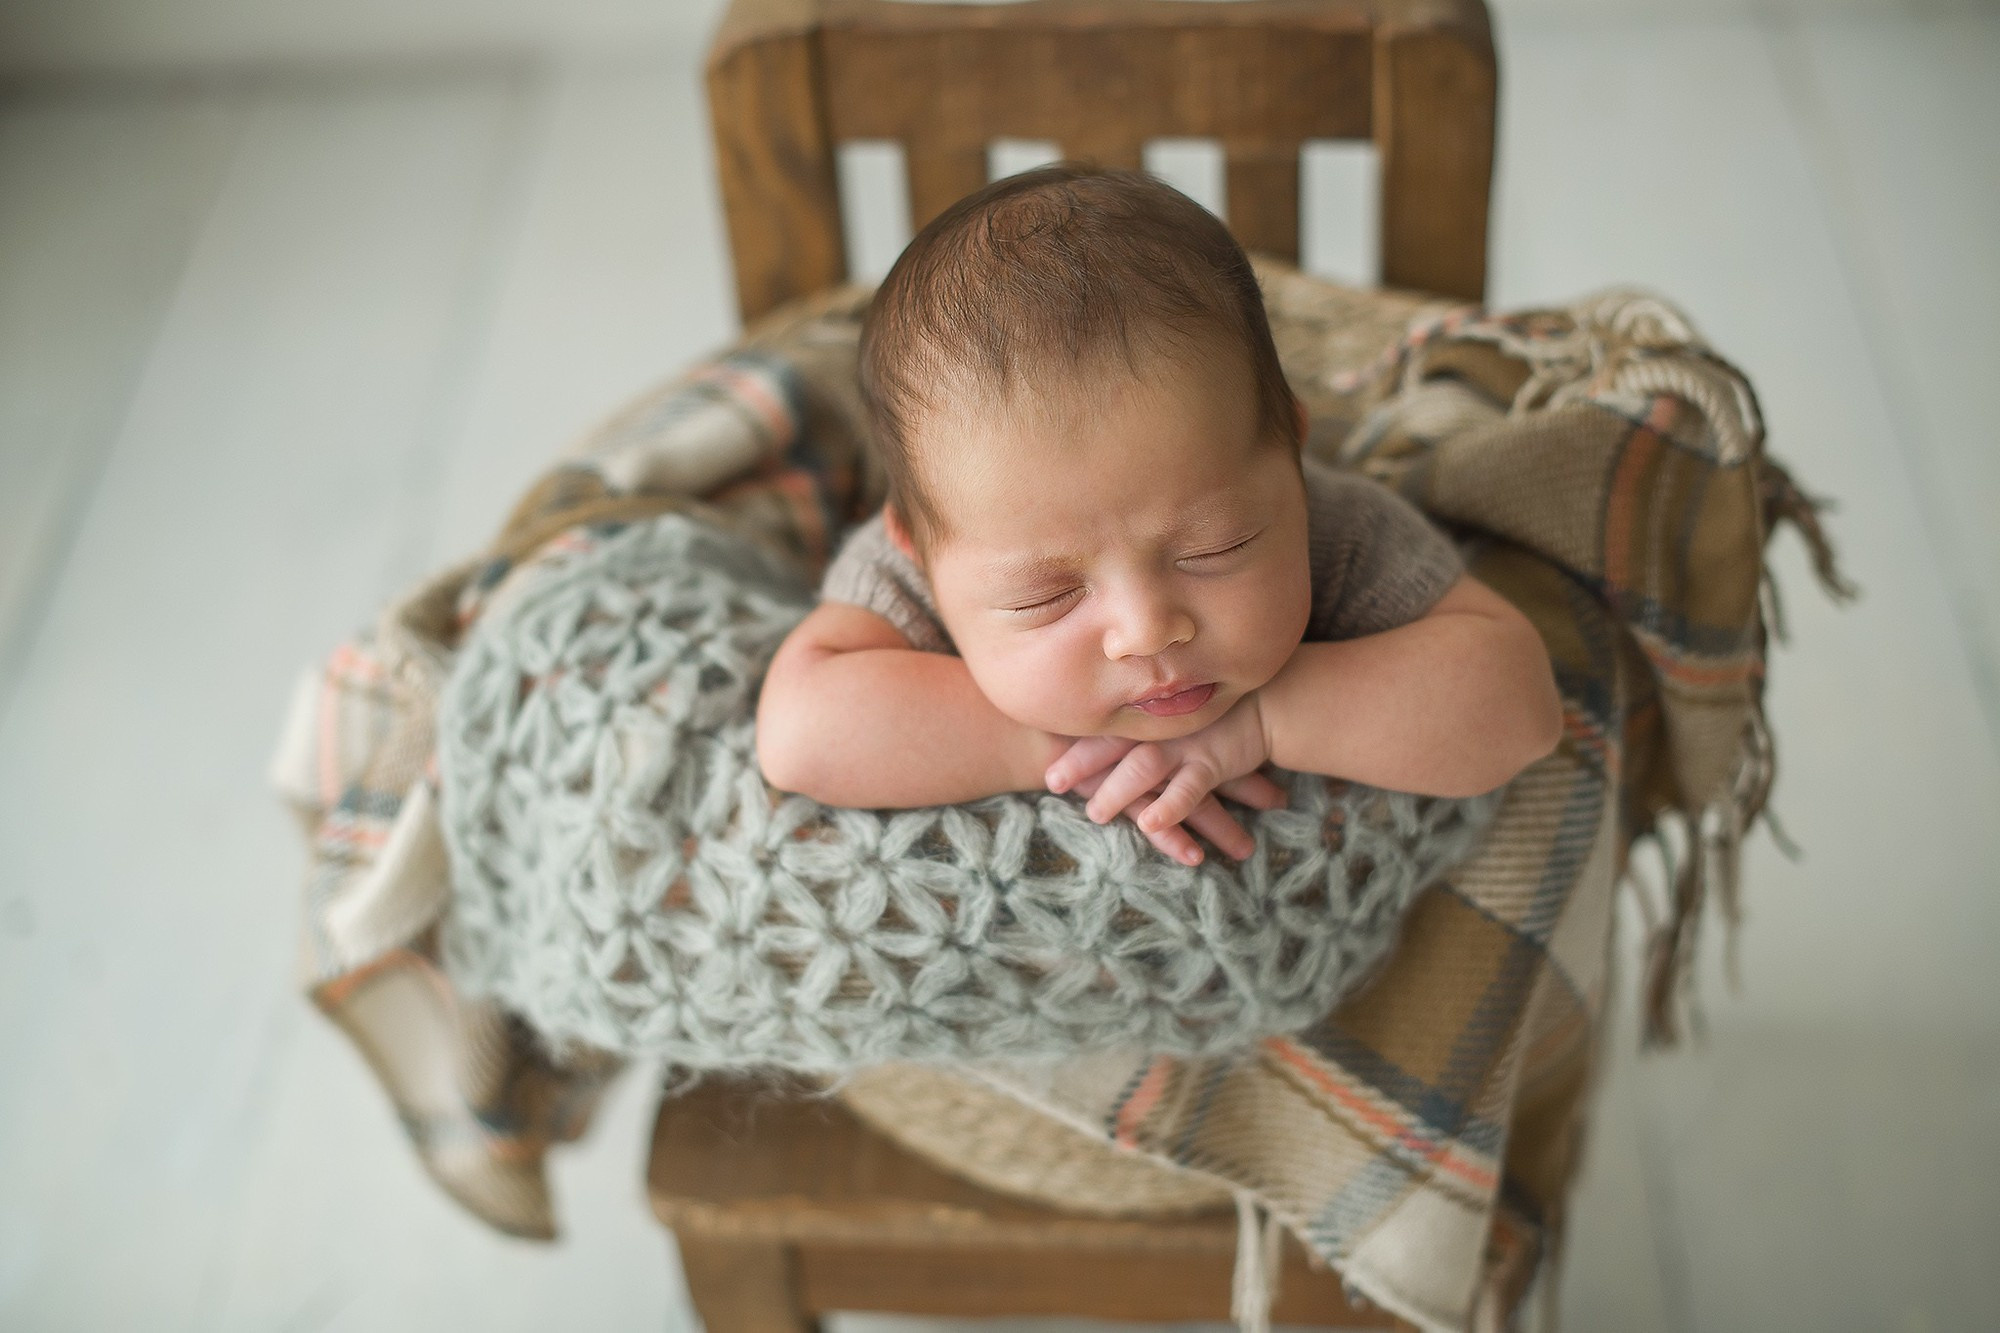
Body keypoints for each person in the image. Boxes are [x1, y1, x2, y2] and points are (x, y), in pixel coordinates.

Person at [755, 163, 1561, 867]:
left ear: (1290, 459)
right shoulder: (928, 558)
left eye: (1216, 547)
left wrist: (1264, 723)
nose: (1147, 630)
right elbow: (801, 731)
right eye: (1047, 597)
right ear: (917, 548)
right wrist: (1062, 748)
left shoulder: (1332, 525)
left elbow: (1518, 706)